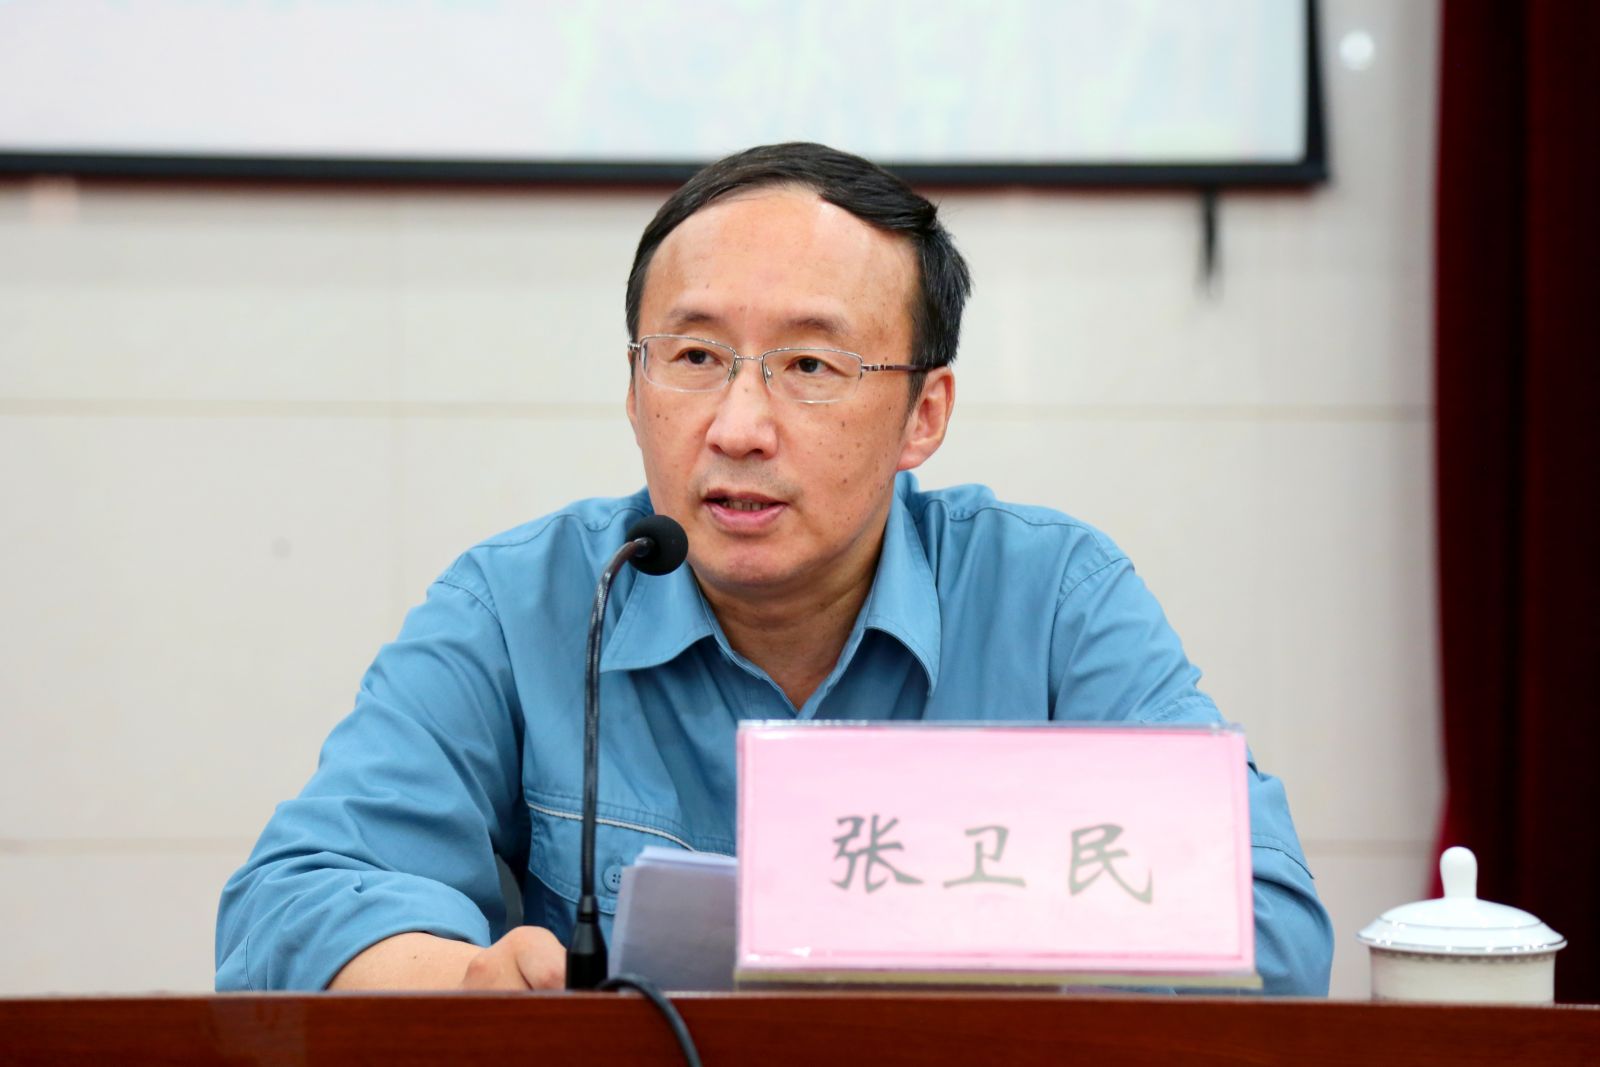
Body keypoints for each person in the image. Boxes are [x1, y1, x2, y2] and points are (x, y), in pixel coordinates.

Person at [216, 142, 1334, 995]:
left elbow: (1269, 926)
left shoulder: (1050, 601)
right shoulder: (525, 605)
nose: (738, 426)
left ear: (923, 413)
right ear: (634, 388)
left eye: (809, 364)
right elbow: (287, 906)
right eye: (696, 356)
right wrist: (470, 980)